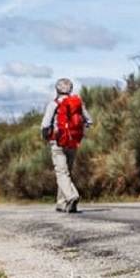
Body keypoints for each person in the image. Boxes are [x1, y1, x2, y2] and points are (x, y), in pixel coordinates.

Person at [40, 77, 92, 213]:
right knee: (66, 173)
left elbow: (45, 124)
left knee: (61, 173)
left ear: (57, 89)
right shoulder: (78, 103)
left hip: (58, 143)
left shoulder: (54, 104)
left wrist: (46, 136)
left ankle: (71, 196)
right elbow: (89, 121)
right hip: (73, 142)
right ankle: (61, 203)